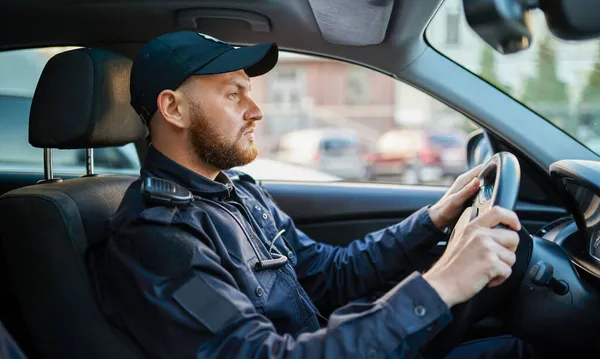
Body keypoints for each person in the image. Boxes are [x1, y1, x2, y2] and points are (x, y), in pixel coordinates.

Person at [91, 31, 531, 358]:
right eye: (233, 94)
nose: (256, 110)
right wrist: (441, 285)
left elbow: (331, 275)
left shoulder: (236, 194)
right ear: (173, 109)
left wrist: (434, 217)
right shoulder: (157, 241)